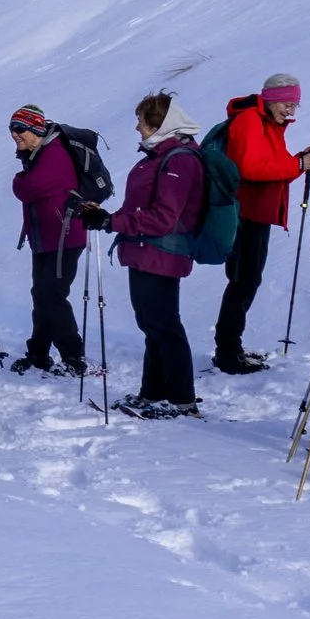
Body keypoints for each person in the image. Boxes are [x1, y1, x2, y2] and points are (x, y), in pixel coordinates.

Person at [80, 93, 205, 419]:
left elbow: (164, 217)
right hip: (144, 249)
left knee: (164, 324)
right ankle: (154, 392)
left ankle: (181, 399)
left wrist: (111, 222)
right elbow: (141, 207)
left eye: (142, 120)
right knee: (152, 324)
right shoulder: (156, 156)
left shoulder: (179, 160)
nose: (137, 126)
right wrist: (108, 217)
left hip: (163, 251)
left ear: (159, 123)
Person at [212, 74, 310, 374]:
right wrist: (298, 164)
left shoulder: (267, 123)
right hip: (245, 214)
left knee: (245, 280)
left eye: (295, 105)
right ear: (274, 99)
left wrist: (300, 161)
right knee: (243, 280)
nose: (292, 111)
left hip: (255, 213)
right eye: (289, 103)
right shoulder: (250, 120)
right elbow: (249, 168)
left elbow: (272, 168)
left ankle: (229, 347)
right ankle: (227, 351)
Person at [8, 104, 88, 374]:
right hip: (46, 236)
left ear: (35, 128)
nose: (15, 135)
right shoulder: (38, 153)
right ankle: (39, 353)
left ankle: (73, 356)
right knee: (41, 294)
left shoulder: (54, 153)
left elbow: (29, 187)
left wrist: (20, 178)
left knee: (52, 294)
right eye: (12, 129)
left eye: (20, 129)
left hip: (64, 236)